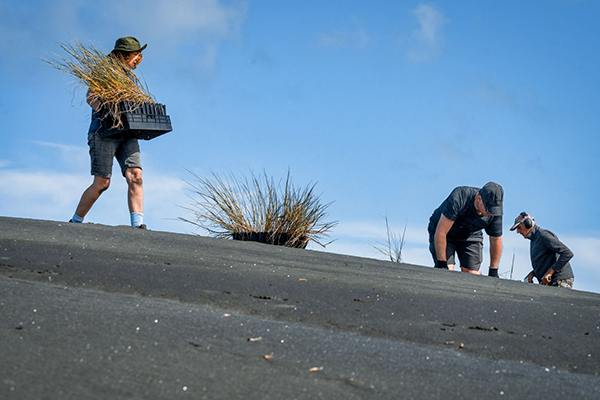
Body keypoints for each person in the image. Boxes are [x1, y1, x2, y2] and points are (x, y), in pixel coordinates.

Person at [70, 37, 147, 228]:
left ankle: (138, 225)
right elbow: (91, 97)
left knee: (135, 175)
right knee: (102, 182)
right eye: (134, 54)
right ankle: (75, 221)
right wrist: (107, 112)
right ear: (124, 54)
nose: (137, 59)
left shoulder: (130, 77)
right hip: (103, 131)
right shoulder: (104, 72)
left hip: (128, 132)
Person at [428, 182, 504, 276]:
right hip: (445, 233)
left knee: (473, 274)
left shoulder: (494, 212)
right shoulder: (460, 196)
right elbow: (441, 232)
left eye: (494, 210)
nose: (490, 213)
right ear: (479, 198)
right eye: (488, 209)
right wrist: (442, 264)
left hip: (471, 234)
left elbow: (495, 239)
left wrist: (493, 270)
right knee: (448, 272)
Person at [510, 212, 574, 289]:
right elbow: (547, 261)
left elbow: (567, 253)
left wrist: (550, 272)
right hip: (551, 282)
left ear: (528, 224)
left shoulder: (543, 236)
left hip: (560, 280)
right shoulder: (534, 240)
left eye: (519, 227)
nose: (518, 231)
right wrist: (533, 273)